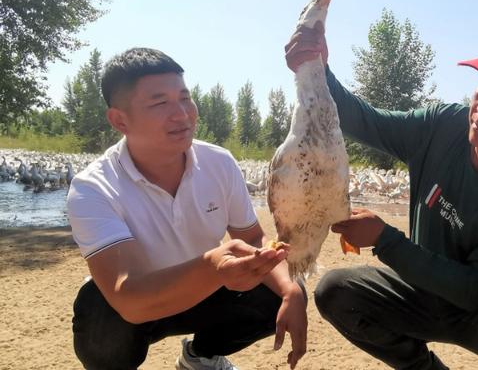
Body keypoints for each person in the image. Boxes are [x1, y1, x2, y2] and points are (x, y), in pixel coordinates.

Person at [285, 24, 478, 369]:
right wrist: (318, 70)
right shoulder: (443, 126)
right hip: (417, 289)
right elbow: (367, 122)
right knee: (337, 292)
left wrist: (385, 240)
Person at [67, 48, 307, 370]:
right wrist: (212, 267)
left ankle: (200, 357)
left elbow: (252, 237)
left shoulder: (219, 162)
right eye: (159, 103)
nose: (182, 114)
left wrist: (291, 290)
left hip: (207, 293)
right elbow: (127, 298)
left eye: (185, 97)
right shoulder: (93, 187)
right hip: (140, 306)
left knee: (283, 285)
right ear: (119, 120)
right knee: (98, 309)